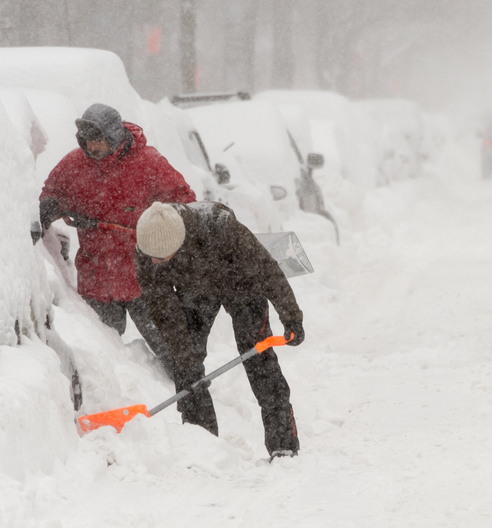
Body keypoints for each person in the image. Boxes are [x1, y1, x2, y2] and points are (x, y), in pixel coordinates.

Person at [134, 201, 305, 459]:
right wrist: (186, 359)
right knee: (186, 369)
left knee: (258, 356)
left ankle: (283, 442)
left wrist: (291, 316)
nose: (154, 263)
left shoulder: (221, 226)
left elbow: (267, 270)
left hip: (241, 284)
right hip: (196, 293)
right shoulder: (148, 250)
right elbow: (164, 311)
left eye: (161, 258)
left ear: (178, 245)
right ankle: (201, 444)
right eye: (151, 258)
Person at [39, 103, 196, 368]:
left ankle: (189, 387)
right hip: (97, 278)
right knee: (103, 358)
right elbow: (51, 193)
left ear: (114, 136)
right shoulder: (74, 164)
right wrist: (50, 205)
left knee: (172, 351)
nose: (92, 148)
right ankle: (119, 401)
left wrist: (161, 225)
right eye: (87, 142)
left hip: (144, 276)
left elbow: (184, 203)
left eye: (98, 141)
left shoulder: (148, 163)